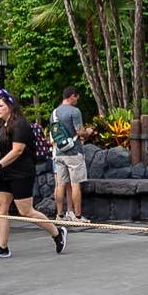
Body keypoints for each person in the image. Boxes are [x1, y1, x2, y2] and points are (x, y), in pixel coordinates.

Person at [0, 90, 65, 259]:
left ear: (10, 107)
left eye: (1, 106)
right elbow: (5, 147)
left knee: (25, 211)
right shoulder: (2, 126)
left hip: (21, 172)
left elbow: (18, 150)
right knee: (0, 207)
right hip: (4, 173)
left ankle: (57, 233)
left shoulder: (20, 124)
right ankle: (2, 247)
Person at [48, 85, 92, 226]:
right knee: (75, 185)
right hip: (73, 153)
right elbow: (80, 131)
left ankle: (59, 215)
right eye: (77, 97)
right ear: (72, 96)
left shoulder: (54, 112)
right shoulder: (74, 111)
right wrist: (89, 132)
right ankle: (78, 217)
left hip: (59, 153)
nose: (77, 100)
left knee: (60, 185)